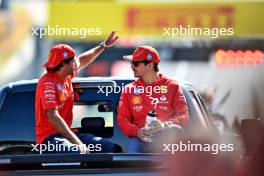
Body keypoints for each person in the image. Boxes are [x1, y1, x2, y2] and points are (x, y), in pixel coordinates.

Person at [35, 31, 119, 154]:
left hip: (69, 135)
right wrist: (78, 144)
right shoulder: (47, 82)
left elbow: (83, 59)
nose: (76, 62)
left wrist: (104, 45)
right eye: (72, 61)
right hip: (49, 139)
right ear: (63, 64)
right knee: (78, 152)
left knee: (109, 147)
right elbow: (53, 117)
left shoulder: (67, 75)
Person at [117, 45, 189, 153]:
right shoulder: (129, 89)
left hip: (168, 142)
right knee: (135, 147)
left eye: (135, 63)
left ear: (150, 65)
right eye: (131, 63)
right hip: (140, 142)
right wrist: (137, 131)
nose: (131, 66)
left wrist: (164, 126)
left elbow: (183, 116)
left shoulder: (172, 86)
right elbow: (122, 119)